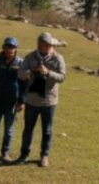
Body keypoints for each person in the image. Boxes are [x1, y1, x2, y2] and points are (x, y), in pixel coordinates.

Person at [16, 32, 66, 168]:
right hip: (31, 100)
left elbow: (62, 77)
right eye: (45, 45)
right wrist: (30, 72)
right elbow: (20, 73)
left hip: (49, 102)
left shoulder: (58, 58)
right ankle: (24, 155)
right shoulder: (30, 57)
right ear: (39, 44)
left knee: (47, 130)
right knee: (28, 129)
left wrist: (48, 72)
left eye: (50, 45)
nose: (48, 47)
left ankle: (44, 156)